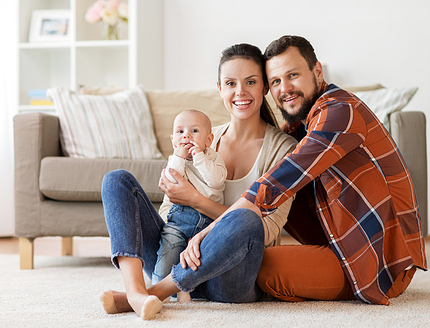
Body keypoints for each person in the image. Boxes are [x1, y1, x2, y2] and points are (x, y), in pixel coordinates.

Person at [183, 35, 427, 305]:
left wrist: (212, 230)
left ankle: (178, 285)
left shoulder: (339, 111)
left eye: (293, 75)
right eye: (276, 81)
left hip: (380, 261)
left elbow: (278, 182)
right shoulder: (298, 128)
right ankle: (203, 282)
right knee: (252, 259)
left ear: (317, 71)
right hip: (339, 246)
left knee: (262, 266)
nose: (285, 88)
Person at [99, 43, 297, 319]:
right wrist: (179, 237)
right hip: (178, 253)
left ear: (264, 87)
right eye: (231, 83)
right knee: (116, 180)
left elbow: (267, 230)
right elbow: (170, 208)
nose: (240, 92)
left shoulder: (283, 149)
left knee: (247, 216)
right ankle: (134, 293)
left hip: (229, 277)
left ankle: (155, 293)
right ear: (220, 88)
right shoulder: (199, 135)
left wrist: (195, 200)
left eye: (250, 82)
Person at [153, 109, 227, 303]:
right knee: (168, 252)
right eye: (180, 132)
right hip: (179, 219)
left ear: (209, 140)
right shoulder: (174, 161)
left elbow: (215, 182)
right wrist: (178, 157)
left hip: (208, 223)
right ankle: (157, 292)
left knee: (195, 259)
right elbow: (172, 184)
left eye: (194, 131)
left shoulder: (213, 158)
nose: (186, 135)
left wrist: (199, 157)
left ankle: (184, 289)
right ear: (173, 140)